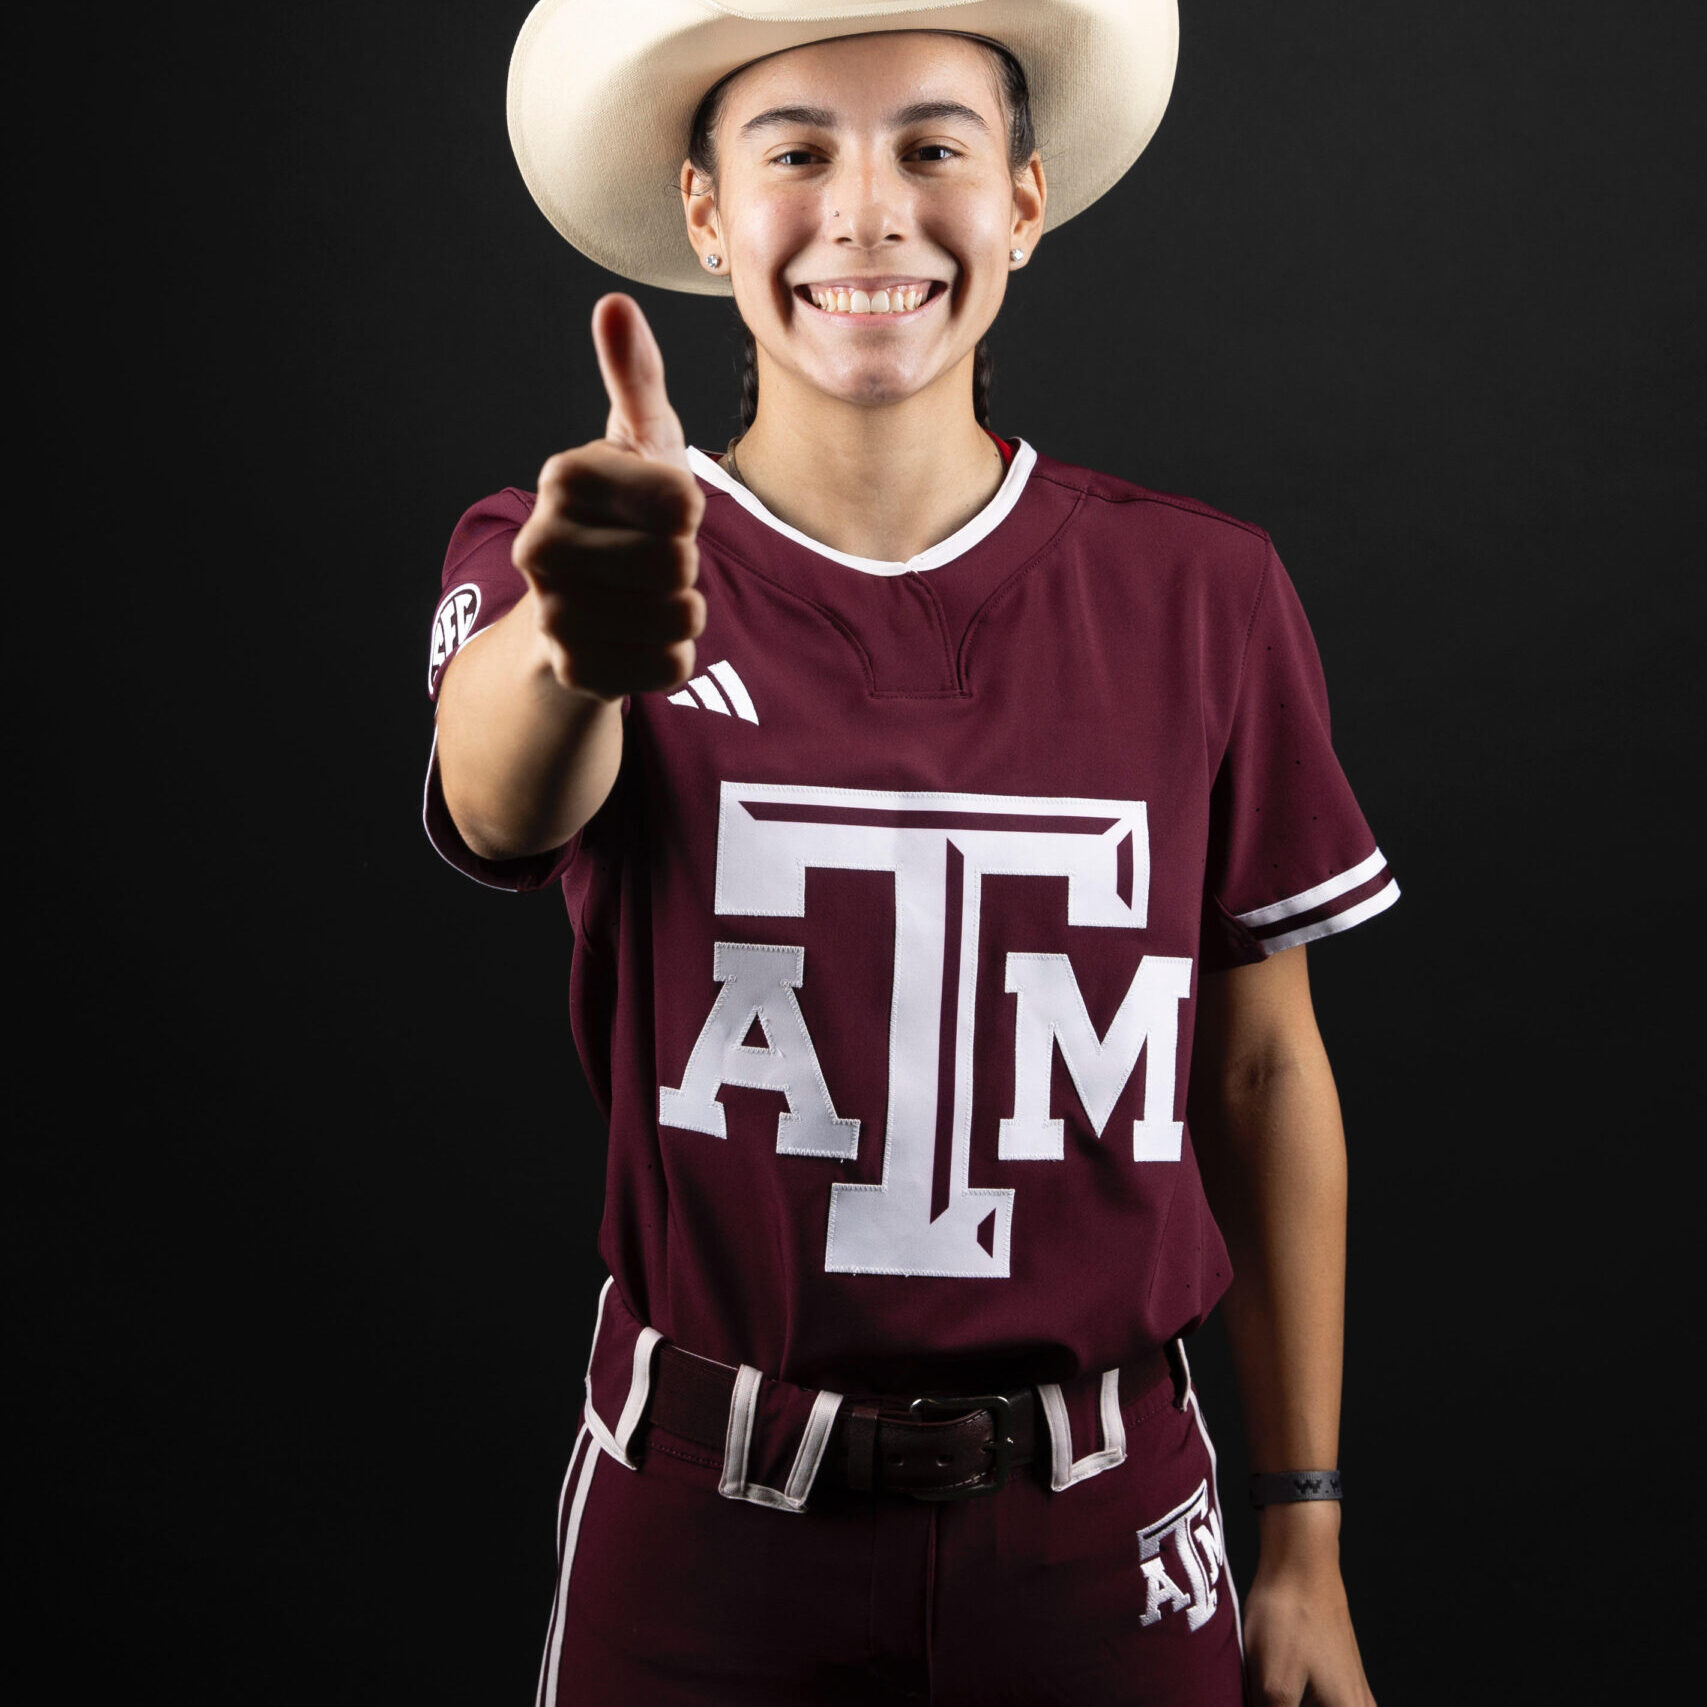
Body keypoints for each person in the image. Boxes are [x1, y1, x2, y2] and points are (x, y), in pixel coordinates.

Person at [425, 3, 1395, 1702]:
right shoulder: (570, 548)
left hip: (1103, 1524)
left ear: (1023, 199)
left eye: (932, 147)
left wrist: (1303, 1532)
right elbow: (503, 798)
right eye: (796, 150)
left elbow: (1259, 1074)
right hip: (704, 1526)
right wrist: (578, 638)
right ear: (707, 215)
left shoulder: (1204, 594)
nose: (869, 210)